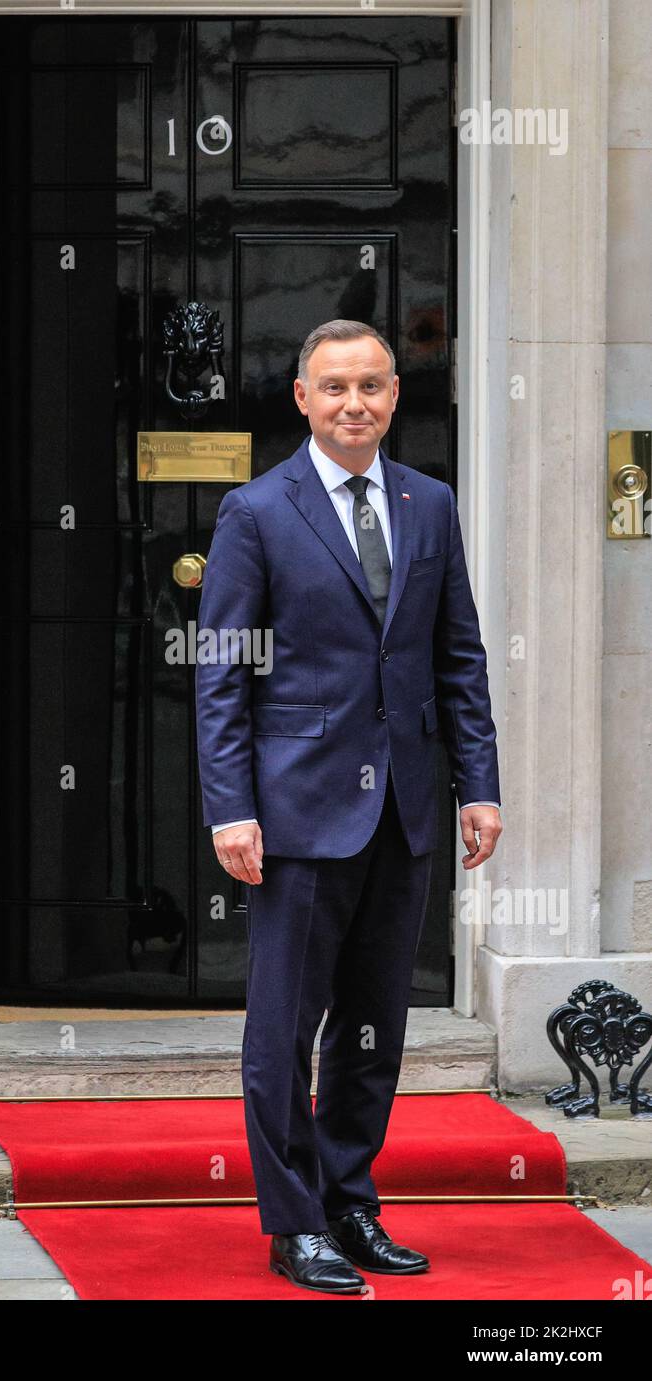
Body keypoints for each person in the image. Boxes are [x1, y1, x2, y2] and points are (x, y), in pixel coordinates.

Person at [195, 320, 502, 1294]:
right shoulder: (256, 511)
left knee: (372, 1023)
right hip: (293, 811)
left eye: (370, 385)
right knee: (283, 1028)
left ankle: (349, 1201)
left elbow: (457, 654)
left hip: (405, 804)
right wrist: (228, 807)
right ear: (300, 398)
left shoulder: (428, 502)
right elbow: (220, 675)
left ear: (394, 395)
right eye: (333, 388)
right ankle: (293, 1224)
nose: (352, 403)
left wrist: (478, 783)